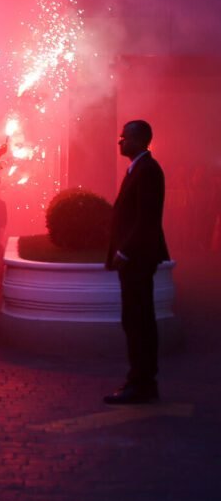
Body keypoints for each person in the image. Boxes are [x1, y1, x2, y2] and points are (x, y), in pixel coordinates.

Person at [104, 120, 169, 405]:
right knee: (134, 319)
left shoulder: (148, 171)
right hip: (135, 259)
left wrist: (125, 252)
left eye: (124, 137)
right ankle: (139, 380)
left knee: (139, 320)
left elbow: (146, 219)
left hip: (138, 259)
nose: (120, 142)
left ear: (139, 140)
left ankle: (141, 383)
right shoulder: (138, 169)